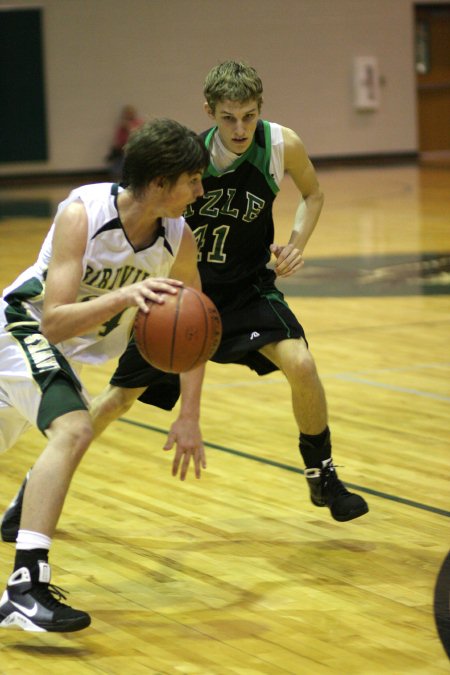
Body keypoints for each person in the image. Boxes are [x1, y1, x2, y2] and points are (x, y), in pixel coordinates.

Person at [2, 61, 368, 552]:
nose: (240, 128)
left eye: (250, 116)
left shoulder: (281, 146)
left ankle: (321, 472)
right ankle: (35, 487)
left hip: (242, 291)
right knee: (113, 403)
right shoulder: (185, 165)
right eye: (229, 117)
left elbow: (314, 193)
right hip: (175, 301)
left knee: (301, 362)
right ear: (210, 113)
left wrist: (296, 242)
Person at [0, 117, 209, 632]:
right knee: (75, 428)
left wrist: (189, 415)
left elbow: (198, 328)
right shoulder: (82, 214)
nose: (199, 192)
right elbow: (52, 321)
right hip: (22, 328)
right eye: (193, 180)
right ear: (160, 182)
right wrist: (125, 296)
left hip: (62, 352)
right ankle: (26, 587)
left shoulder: (179, 238)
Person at [106, 104, 144, 180]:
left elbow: (139, 137)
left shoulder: (139, 123)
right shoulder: (121, 126)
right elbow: (118, 140)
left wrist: (129, 128)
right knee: (117, 163)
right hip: (122, 150)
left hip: (136, 150)